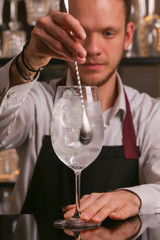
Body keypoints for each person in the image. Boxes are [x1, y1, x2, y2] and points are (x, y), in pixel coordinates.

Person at [0, 0, 160, 223]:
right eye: (80, 34)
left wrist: (135, 197)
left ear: (128, 36)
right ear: (60, 35)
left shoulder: (150, 115)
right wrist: (29, 60)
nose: (93, 48)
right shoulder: (37, 101)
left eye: (108, 33)